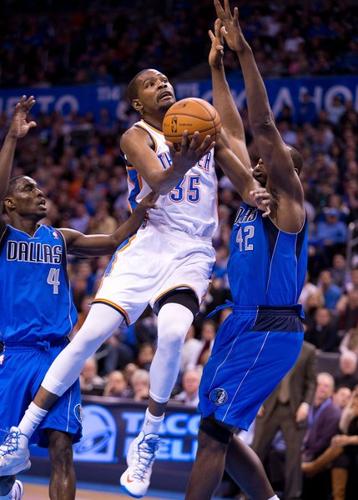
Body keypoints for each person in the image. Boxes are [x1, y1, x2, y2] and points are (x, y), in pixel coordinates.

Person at [0, 71, 271, 498]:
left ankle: (147, 440)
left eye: (164, 79)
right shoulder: (135, 135)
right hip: (148, 243)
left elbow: (241, 177)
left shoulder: (204, 123)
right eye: (149, 83)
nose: (161, 84)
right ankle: (21, 433)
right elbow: (160, 181)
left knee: (172, 333)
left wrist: (256, 193)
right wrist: (182, 160)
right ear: (138, 104)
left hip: (191, 251)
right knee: (88, 335)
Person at [0, 97, 155, 500]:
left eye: (40, 188)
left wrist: (147, 208)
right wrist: (11, 140)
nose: (41, 193)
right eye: (29, 189)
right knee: (3, 459)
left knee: (62, 449)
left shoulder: (61, 237)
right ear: (9, 203)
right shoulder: (3, 237)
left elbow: (115, 239)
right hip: (13, 355)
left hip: (58, 354)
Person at [185, 2, 308, 499]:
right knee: (214, 428)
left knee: (214, 435)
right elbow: (230, 132)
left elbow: (260, 127)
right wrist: (216, 67)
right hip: (241, 321)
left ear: (286, 173)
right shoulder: (253, 196)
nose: (257, 164)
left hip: (271, 327)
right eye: (256, 164)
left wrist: (245, 54)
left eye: (270, 163)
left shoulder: (289, 209)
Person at [252, 341, 316, 500]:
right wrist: (257, 401)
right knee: (255, 451)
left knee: (293, 457)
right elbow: (259, 375)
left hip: (294, 410)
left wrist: (306, 404)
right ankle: (248, 493)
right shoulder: (270, 345)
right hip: (269, 407)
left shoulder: (309, 350)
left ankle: (292, 497)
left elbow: (312, 382)